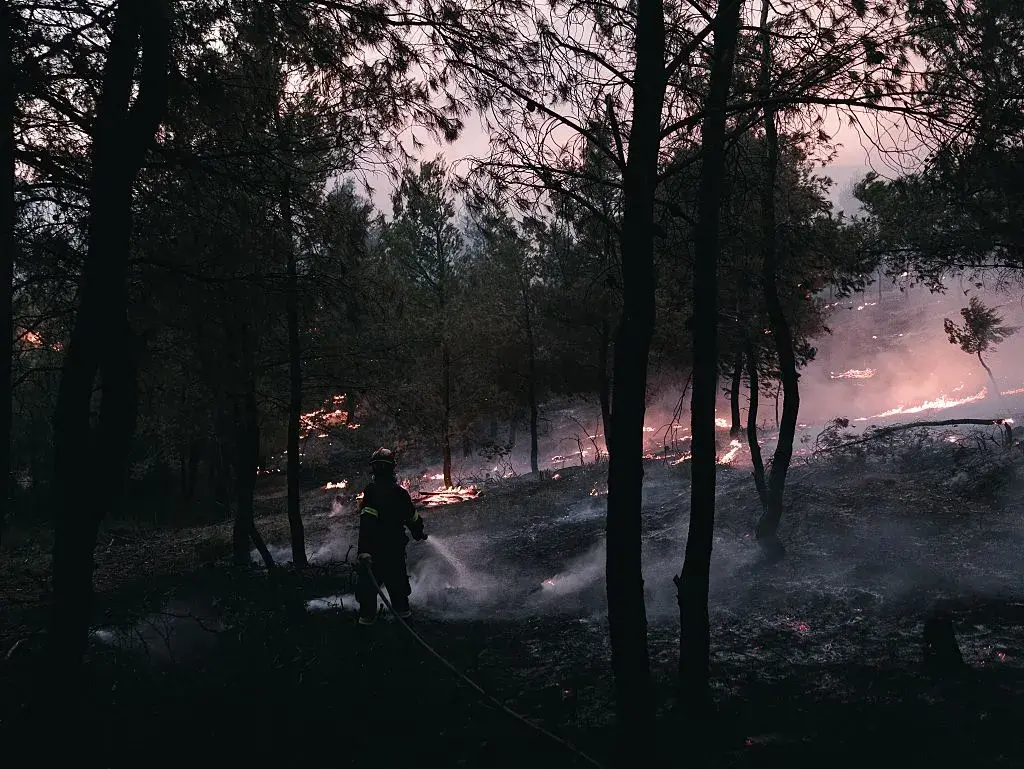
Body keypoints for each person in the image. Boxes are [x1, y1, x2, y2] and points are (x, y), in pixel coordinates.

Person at [355, 447, 427, 625]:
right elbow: (414, 519)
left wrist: (364, 552)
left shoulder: (371, 492)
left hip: (374, 556)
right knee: (400, 598)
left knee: (367, 597)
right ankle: (405, 641)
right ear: (392, 469)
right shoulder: (401, 493)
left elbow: (367, 524)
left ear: (375, 470)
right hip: (394, 554)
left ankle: (366, 637)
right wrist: (418, 533)